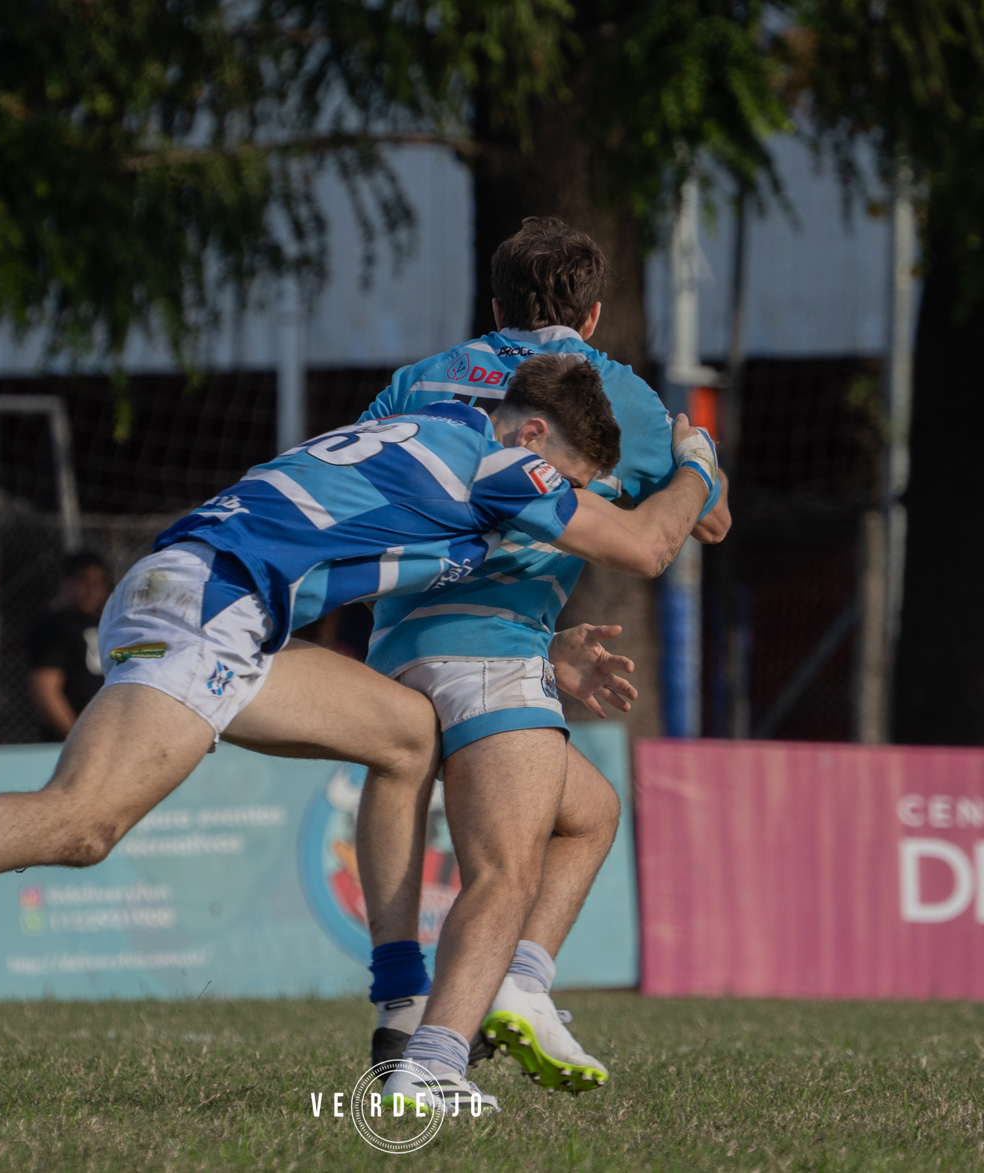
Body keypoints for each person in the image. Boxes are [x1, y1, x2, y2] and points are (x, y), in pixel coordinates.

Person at [0, 356, 719, 1119]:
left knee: (405, 734)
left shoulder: (433, 437)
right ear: (537, 433)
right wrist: (698, 467)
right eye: (574, 485)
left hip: (216, 594)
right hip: (212, 600)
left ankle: (401, 1016)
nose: (562, 510)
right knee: (83, 823)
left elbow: (379, 548)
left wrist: (543, 652)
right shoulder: (504, 460)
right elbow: (644, 544)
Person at [351, 218, 731, 1101]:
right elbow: (699, 525)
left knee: (589, 809)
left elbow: (364, 473)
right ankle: (438, 1054)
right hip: (494, 646)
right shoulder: (610, 390)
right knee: (504, 868)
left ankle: (459, 987)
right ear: (594, 316)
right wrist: (694, 463)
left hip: (395, 643)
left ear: (492, 307)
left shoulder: (421, 376)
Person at [26, 552, 112, 741]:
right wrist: (77, 739)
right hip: (70, 743)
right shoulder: (52, 626)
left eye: (98, 583)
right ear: (64, 581)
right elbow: (45, 691)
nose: (92, 590)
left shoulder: (105, 624)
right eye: (84, 581)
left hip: (107, 738)